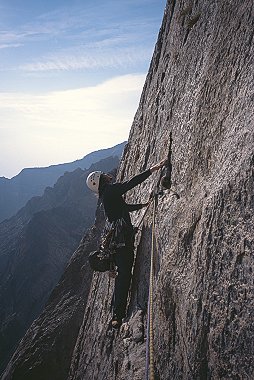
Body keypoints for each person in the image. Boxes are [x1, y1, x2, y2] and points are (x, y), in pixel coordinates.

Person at [86, 158, 166, 328]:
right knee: (124, 274)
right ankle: (117, 315)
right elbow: (131, 183)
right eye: (104, 175)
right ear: (101, 180)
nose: (108, 175)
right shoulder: (111, 190)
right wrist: (154, 168)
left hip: (117, 241)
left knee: (123, 274)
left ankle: (116, 312)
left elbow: (123, 208)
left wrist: (143, 205)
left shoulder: (107, 195)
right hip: (121, 242)